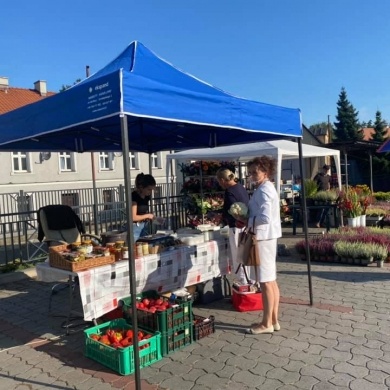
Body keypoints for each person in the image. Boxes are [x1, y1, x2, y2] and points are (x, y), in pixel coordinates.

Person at [236, 156, 281, 335]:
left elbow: (265, 219)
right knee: (271, 281)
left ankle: (266, 323)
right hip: (266, 238)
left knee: (266, 282)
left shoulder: (264, 191)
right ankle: (273, 320)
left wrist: (246, 219)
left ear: (266, 171)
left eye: (256, 172)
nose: (252, 175)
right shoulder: (264, 188)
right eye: (250, 172)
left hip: (263, 239)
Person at [216, 167, 250, 284]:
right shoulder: (240, 187)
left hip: (236, 226)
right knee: (245, 254)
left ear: (222, 180)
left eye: (219, 182)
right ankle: (249, 281)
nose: (219, 184)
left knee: (238, 256)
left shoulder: (229, 191)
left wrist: (223, 218)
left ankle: (243, 283)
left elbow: (231, 210)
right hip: (246, 226)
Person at [131, 173, 156, 242]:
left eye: (151, 190)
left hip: (144, 226)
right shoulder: (134, 196)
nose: (150, 192)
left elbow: (143, 213)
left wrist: (155, 218)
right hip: (135, 227)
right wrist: (148, 215)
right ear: (142, 187)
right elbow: (133, 217)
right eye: (149, 189)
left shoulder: (147, 197)